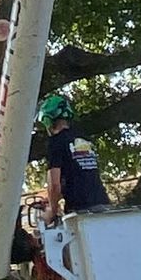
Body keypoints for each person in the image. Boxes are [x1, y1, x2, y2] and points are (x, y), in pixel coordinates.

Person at [38, 90, 109, 224]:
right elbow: (80, 175)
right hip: (102, 203)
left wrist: (51, 211)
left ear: (48, 120)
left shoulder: (56, 142)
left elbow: (54, 184)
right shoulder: (84, 139)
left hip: (80, 210)